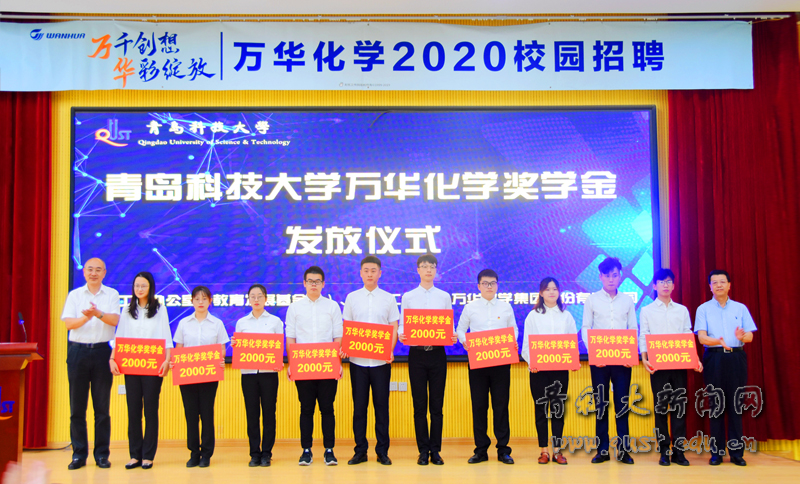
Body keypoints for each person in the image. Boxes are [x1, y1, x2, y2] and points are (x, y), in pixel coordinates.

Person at [61, 257, 120, 470]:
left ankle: (102, 455)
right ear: (84, 272)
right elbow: (69, 324)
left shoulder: (112, 294)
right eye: (90, 269)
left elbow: (114, 320)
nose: (93, 273)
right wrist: (87, 318)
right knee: (77, 408)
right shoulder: (75, 295)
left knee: (102, 408)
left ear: (104, 273)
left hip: (103, 352)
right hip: (77, 352)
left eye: (98, 270)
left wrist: (97, 313)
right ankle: (79, 455)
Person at [109, 271, 173, 470]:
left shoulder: (160, 309)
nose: (139, 289)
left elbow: (166, 337)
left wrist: (167, 361)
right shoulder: (127, 310)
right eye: (136, 285)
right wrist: (112, 358)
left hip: (153, 366)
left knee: (151, 410)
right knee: (134, 410)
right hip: (132, 366)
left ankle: (148, 455)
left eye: (143, 285)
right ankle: (134, 455)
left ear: (150, 287)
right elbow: (120, 337)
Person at [640, 268, 702, 467]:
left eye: (668, 281)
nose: (665, 285)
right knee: (660, 410)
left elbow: (687, 334)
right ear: (655, 286)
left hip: (678, 365)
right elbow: (644, 335)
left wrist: (695, 359)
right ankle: (664, 451)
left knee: (679, 408)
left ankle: (679, 451)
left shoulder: (682, 310)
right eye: (661, 282)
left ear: (673, 285)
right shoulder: (647, 310)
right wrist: (644, 359)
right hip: (657, 366)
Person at [399, 254, 457, 466]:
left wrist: (452, 334)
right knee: (419, 405)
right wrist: (401, 334)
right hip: (417, 355)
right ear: (418, 270)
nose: (428, 270)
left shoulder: (444, 296)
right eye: (424, 266)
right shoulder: (409, 297)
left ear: (436, 270)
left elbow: (449, 325)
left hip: (437, 354)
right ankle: (423, 451)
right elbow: (403, 325)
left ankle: (436, 450)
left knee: (437, 406)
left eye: (432, 266)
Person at [694, 270, 756, 466]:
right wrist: (718, 341)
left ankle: (737, 453)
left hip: (736, 358)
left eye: (722, 281)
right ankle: (717, 453)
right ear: (710, 287)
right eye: (715, 282)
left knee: (736, 405)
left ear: (730, 285)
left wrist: (742, 337)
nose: (719, 285)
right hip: (714, 358)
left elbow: (750, 336)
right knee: (716, 405)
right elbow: (702, 338)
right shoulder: (703, 309)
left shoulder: (740, 308)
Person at [456, 269, 517, 465]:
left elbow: (514, 329)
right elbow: (460, 330)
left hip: (501, 363)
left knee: (501, 406)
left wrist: (512, 341)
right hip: (478, 363)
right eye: (485, 283)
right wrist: (465, 342)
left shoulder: (506, 307)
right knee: (479, 406)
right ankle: (481, 450)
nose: (489, 286)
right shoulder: (470, 307)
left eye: (492, 283)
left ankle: (503, 450)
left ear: (497, 285)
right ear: (478, 286)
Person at [343, 256, 399, 466]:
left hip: (381, 363)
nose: (369, 274)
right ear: (360, 273)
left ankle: (382, 451)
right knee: (359, 408)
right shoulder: (352, 298)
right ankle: (360, 451)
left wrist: (389, 350)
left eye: (373, 270)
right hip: (358, 362)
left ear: (380, 273)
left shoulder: (388, 298)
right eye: (366, 270)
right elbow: (347, 326)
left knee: (381, 408)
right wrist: (346, 347)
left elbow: (393, 326)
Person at [581, 257, 637, 464]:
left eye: (615, 275)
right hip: (600, 363)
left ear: (620, 276)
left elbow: (632, 328)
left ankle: (623, 450)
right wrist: (594, 353)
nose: (611, 279)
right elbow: (586, 327)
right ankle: (602, 450)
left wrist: (631, 354)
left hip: (622, 362)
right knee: (601, 405)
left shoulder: (627, 300)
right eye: (607, 276)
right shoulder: (592, 300)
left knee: (622, 404)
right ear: (600, 277)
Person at [285, 266, 344, 466]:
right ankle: (306, 450)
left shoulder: (332, 306)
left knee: (327, 408)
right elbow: (291, 337)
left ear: (323, 284)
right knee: (306, 409)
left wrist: (337, 363)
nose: (313, 285)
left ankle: (329, 450)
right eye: (310, 281)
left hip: (327, 366)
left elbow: (338, 336)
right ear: (304, 283)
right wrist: (292, 364)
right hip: (303, 367)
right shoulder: (295, 308)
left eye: (317, 281)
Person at [521, 277, 577, 465]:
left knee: (558, 410)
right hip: (539, 371)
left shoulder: (566, 316)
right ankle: (543, 450)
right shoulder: (533, 316)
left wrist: (573, 360)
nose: (552, 292)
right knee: (541, 410)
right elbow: (526, 346)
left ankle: (557, 451)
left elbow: (572, 343)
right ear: (541, 293)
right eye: (547, 289)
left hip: (560, 371)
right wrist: (532, 362)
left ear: (559, 292)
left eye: (555, 289)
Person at [172, 286, 229, 468]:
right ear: (192, 302)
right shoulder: (184, 323)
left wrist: (219, 360)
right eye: (197, 299)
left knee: (206, 414)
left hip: (209, 375)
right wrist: (175, 363)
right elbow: (179, 348)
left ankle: (206, 454)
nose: (201, 302)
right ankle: (194, 453)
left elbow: (222, 349)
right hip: (187, 375)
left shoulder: (217, 324)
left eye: (204, 298)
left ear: (210, 301)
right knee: (191, 415)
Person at [231, 284, 283, 467]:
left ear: (266, 298)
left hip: (269, 374)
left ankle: (267, 453)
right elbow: (239, 349)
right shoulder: (242, 323)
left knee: (269, 414)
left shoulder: (276, 321)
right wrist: (235, 345)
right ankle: (254, 453)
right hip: (248, 374)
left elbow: (279, 347)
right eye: (252, 296)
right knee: (252, 414)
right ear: (248, 299)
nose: (256, 299)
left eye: (259, 296)